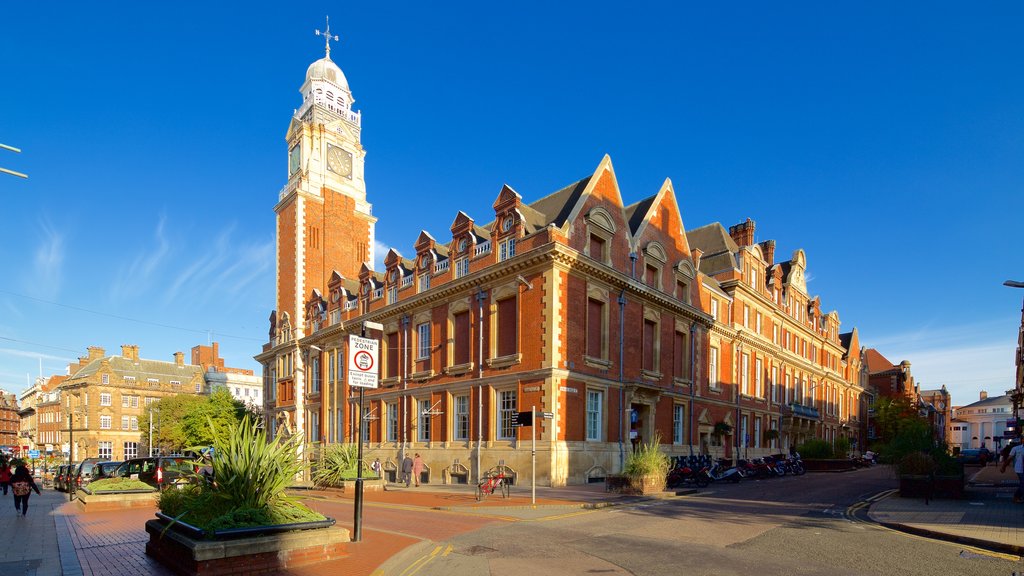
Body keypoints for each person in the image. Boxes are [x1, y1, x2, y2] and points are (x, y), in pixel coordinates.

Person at [1002, 439, 1024, 503]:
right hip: (1020, 469)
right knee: (1023, 484)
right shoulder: (1016, 449)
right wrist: (1003, 467)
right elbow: (1009, 459)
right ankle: (1016, 497)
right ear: (1022, 440)